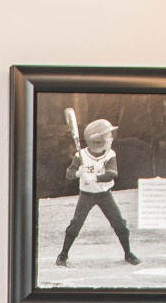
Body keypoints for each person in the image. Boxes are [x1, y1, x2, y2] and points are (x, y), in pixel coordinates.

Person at [53, 110, 137, 266]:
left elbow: (112, 174)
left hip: (105, 194)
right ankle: (63, 255)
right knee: (75, 225)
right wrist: (79, 172)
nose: (111, 138)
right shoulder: (81, 156)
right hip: (86, 195)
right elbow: (68, 174)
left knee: (120, 224)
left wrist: (94, 177)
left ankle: (128, 253)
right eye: (107, 136)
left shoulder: (110, 154)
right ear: (97, 140)